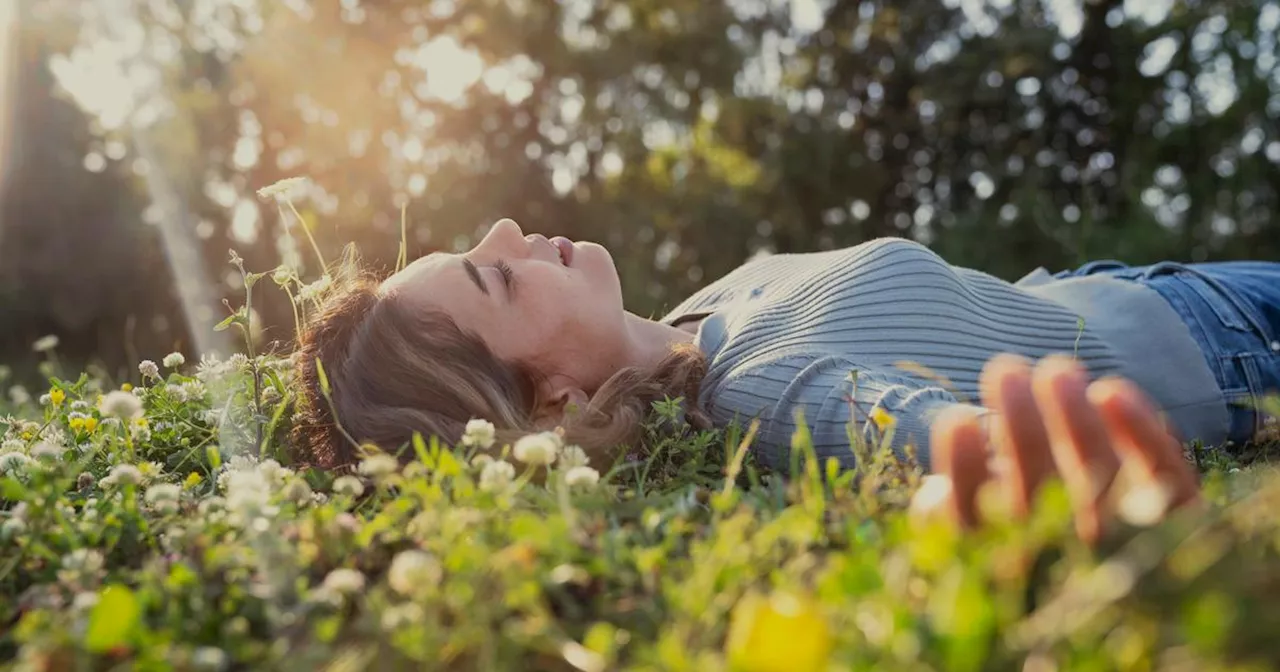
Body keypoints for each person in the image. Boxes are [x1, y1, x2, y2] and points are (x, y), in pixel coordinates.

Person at [292, 218, 1279, 539]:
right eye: (493, 276)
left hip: (1137, 289)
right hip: (1228, 342)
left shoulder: (693, 325)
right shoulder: (748, 389)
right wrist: (994, 465)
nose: (506, 231)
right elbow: (930, 435)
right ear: (547, 397)